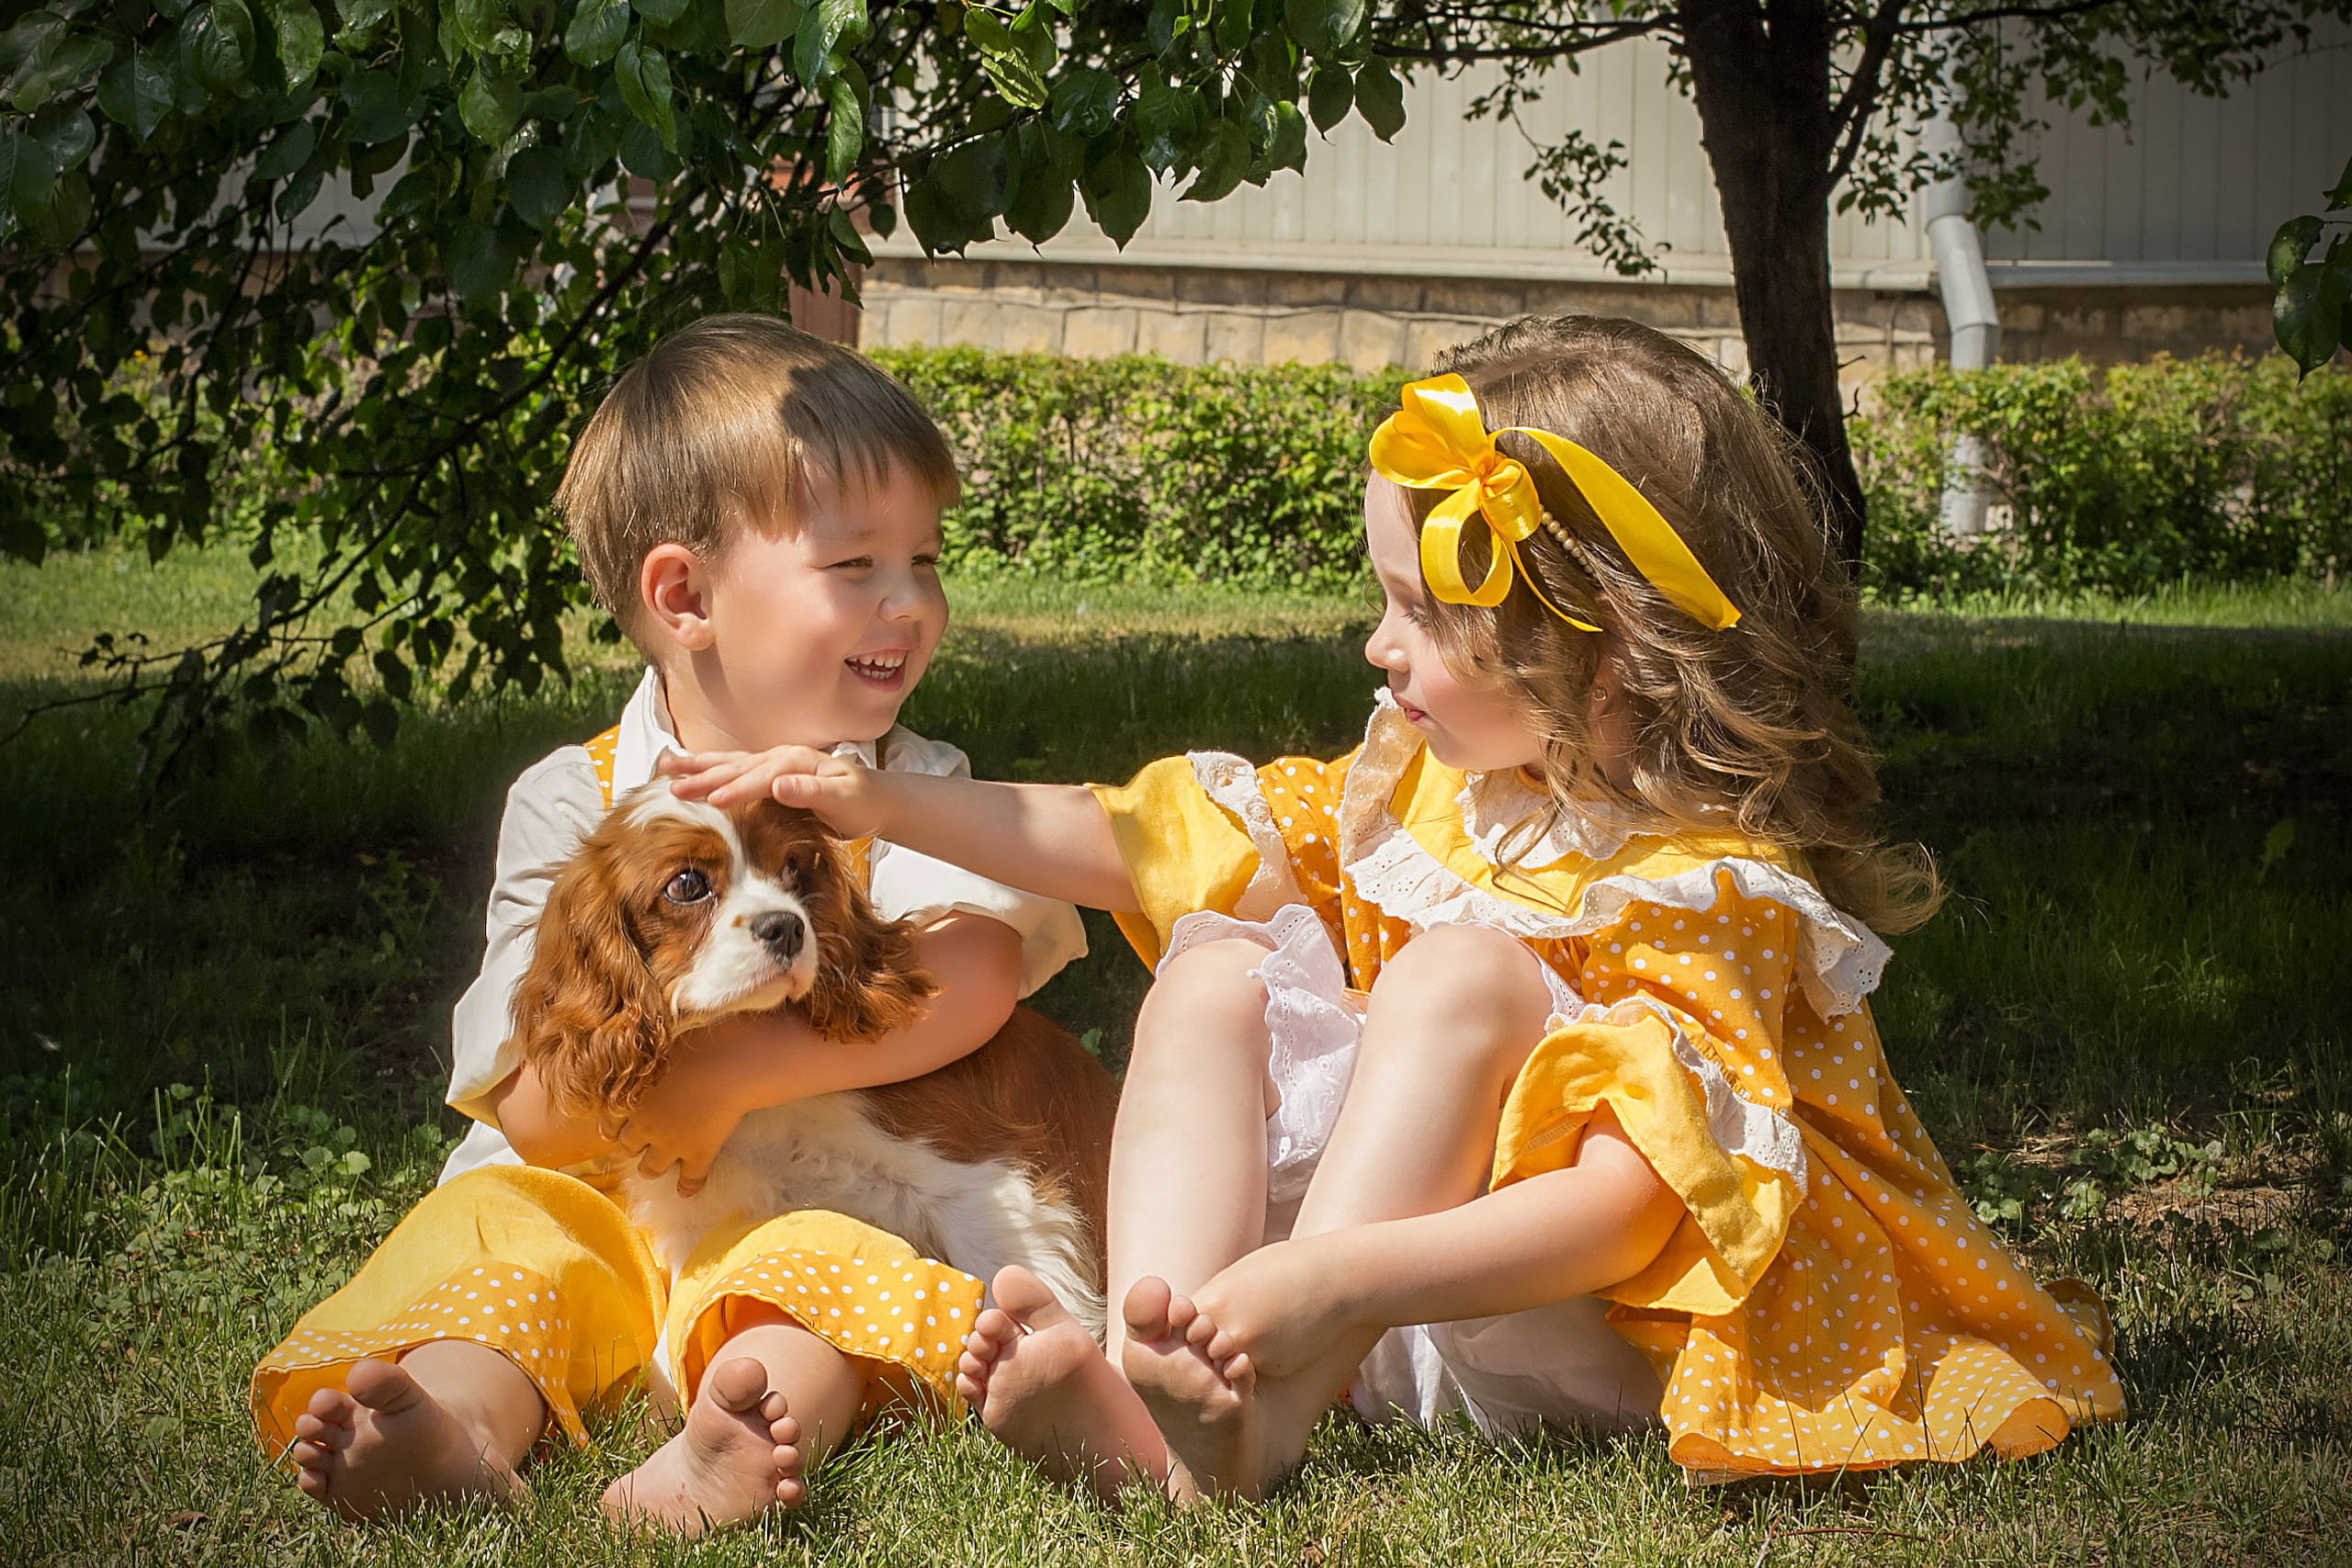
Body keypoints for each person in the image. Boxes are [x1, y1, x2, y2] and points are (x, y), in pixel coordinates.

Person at [663, 316, 2128, 1503]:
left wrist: (1331, 1279)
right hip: (1351, 1287)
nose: (1378, 644)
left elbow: (1629, 1210)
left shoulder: (1710, 892)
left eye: (1421, 615)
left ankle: (1258, 1415)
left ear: (1599, 655)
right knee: (1214, 960)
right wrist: (874, 800)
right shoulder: (1421, 794)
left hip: (1556, 1299)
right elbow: (1125, 839)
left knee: (1461, 978)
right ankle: (1155, 1366)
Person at [248, 315, 1086, 1532]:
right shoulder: (575, 798)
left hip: (801, 1190)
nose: (910, 603)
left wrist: (740, 1068)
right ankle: (450, 1429)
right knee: (497, 1252)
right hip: (581, 1185)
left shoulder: (906, 783)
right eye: (858, 567)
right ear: (684, 594)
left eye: (927, 561)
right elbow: (526, 1099)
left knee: (814, 1278)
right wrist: (671, 1099)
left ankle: (736, 1432)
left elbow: (976, 976)